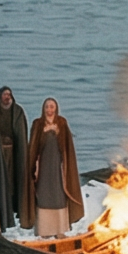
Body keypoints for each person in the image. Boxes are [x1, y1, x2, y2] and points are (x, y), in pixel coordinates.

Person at [26, 98, 84, 238]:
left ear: (56, 108)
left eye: (52, 107)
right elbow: (33, 147)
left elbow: (67, 146)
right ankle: (44, 230)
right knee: (44, 195)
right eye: (47, 107)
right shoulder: (38, 124)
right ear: (43, 109)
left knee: (59, 196)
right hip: (43, 166)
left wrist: (56, 132)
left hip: (58, 167)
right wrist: (32, 168)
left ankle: (59, 230)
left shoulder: (62, 123)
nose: (49, 110)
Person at [0, 88, 31, 229]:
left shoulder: (18, 111)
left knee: (13, 180)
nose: (7, 97)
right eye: (4, 94)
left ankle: (14, 208)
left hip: (14, 152)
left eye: (9, 94)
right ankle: (0, 207)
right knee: (0, 180)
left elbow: (21, 132)